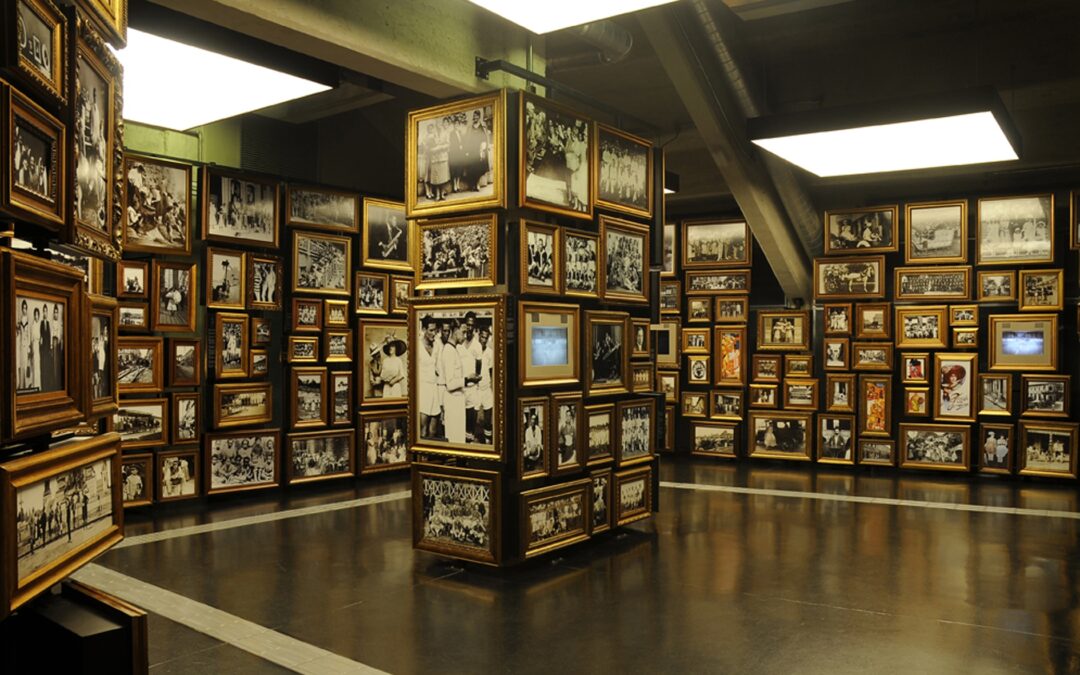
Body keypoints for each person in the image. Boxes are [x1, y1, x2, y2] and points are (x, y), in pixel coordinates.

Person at [440, 321, 466, 443]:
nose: (465, 336)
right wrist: (467, 380)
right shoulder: (448, 351)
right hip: (452, 401)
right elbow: (450, 384)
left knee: (460, 439)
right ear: (455, 331)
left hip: (458, 401)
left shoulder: (454, 349)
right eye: (463, 332)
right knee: (454, 440)